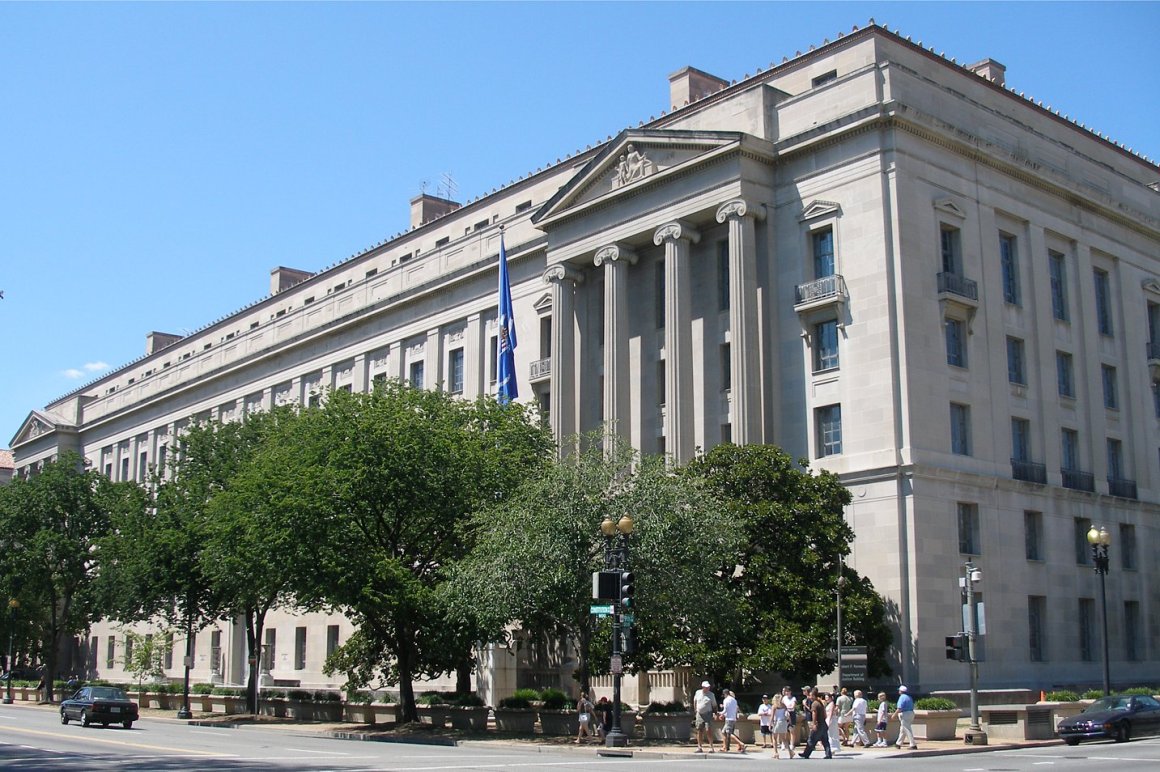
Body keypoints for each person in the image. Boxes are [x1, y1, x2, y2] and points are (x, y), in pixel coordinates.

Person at [799, 688, 833, 759]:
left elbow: (814, 713)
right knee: (825, 740)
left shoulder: (814, 704)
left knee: (811, 739)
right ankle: (828, 754)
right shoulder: (820, 702)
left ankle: (806, 754)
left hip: (818, 724)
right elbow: (825, 714)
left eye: (811, 695)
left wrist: (814, 724)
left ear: (814, 696)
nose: (810, 697)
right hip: (823, 724)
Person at [693, 680, 719, 753]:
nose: (708, 688)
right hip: (699, 714)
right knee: (699, 730)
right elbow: (695, 701)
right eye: (706, 687)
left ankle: (711, 747)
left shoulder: (711, 695)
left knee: (708, 730)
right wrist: (695, 710)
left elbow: (714, 705)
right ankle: (699, 747)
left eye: (708, 687)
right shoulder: (698, 693)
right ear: (703, 687)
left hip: (708, 713)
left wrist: (715, 713)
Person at [718, 689, 747, 753]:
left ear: (725, 694)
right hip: (733, 718)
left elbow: (725, 710)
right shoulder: (734, 700)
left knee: (729, 733)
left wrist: (720, 713)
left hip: (729, 719)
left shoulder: (726, 700)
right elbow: (733, 709)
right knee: (723, 732)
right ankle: (725, 747)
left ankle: (741, 744)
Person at [893, 685, 918, 750]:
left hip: (905, 714)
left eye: (899, 690)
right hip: (911, 713)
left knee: (907, 729)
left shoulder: (902, 697)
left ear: (901, 691)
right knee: (903, 729)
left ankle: (913, 745)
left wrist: (894, 715)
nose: (898, 691)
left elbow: (899, 708)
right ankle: (898, 743)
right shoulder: (909, 697)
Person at [772, 690, 794, 759]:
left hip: (777, 722)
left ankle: (776, 753)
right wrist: (790, 723)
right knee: (784, 738)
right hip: (783, 722)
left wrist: (770, 724)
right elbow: (787, 715)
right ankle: (790, 752)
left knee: (774, 738)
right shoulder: (784, 706)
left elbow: (772, 716)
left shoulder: (774, 706)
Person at [780, 685, 798, 755]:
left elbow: (792, 707)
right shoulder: (784, 698)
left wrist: (788, 708)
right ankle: (783, 743)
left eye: (788, 691)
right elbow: (782, 705)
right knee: (784, 730)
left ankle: (792, 744)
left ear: (790, 692)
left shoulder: (793, 698)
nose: (787, 693)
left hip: (791, 714)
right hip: (785, 714)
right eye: (786, 691)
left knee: (792, 729)